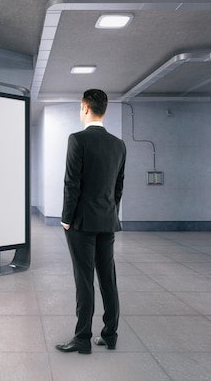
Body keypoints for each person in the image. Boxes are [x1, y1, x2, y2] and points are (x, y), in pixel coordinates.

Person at [55, 89, 127, 354]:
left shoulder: (77, 139)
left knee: (84, 280)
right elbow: (119, 187)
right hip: (107, 221)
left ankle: (83, 338)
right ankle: (110, 335)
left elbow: (71, 182)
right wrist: (111, 212)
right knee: (108, 278)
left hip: (81, 223)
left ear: (85, 108)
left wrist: (66, 218)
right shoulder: (119, 144)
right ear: (103, 110)